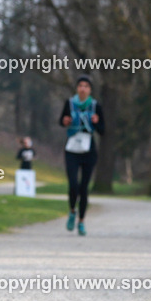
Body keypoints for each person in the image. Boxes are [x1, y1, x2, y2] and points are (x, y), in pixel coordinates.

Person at [59, 75, 104, 236]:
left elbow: (103, 130)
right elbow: (62, 121)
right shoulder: (69, 103)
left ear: (90, 89)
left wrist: (97, 122)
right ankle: (72, 211)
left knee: (84, 188)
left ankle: (82, 221)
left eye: (86, 86)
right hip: (72, 149)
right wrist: (65, 121)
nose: (83, 88)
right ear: (77, 88)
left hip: (88, 150)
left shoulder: (95, 106)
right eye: (80, 85)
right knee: (73, 184)